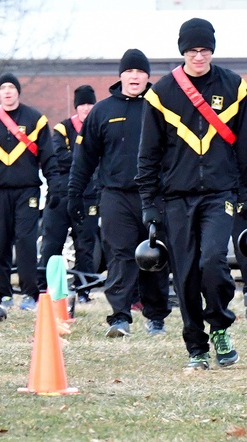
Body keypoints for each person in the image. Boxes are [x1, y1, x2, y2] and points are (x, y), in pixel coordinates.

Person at [138, 18, 247, 370]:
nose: (199, 56)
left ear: (212, 49)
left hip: (219, 194)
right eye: (192, 50)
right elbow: (148, 155)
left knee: (212, 262)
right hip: (175, 198)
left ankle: (220, 328)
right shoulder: (161, 93)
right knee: (186, 276)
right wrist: (149, 204)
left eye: (204, 50)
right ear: (183, 51)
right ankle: (196, 347)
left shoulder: (234, 86)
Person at [68, 49, 171, 337]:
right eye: (130, 71)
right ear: (121, 75)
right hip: (115, 195)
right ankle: (120, 318)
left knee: (154, 256)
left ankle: (156, 318)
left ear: (147, 76)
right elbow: (85, 157)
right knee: (120, 255)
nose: (135, 76)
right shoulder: (103, 110)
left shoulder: (160, 106)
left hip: (154, 195)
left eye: (140, 72)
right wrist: (74, 193)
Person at [0, 73, 63, 312]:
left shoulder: (35, 119)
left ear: (18, 91)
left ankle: (30, 294)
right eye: (3, 88)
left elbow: (48, 157)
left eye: (11, 87)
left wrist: (56, 187)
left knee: (26, 242)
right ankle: (2, 294)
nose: (7, 92)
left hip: (27, 191)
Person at [43, 85, 101, 306]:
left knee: (86, 245)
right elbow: (59, 156)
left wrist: (81, 163)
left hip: (89, 196)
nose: (86, 108)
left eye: (90, 104)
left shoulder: (99, 127)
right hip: (61, 194)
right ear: (76, 106)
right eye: (82, 104)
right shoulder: (62, 128)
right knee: (52, 244)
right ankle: (48, 288)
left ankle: (85, 289)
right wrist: (86, 162)